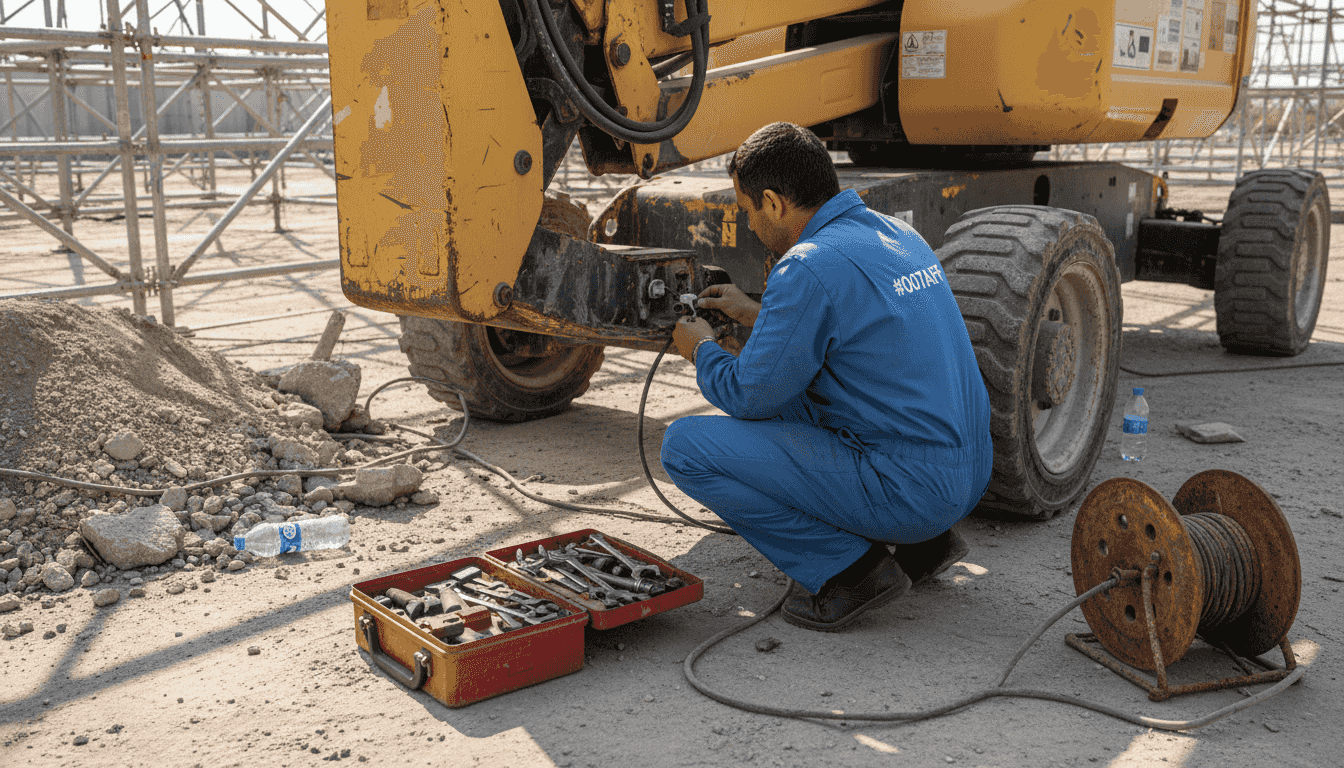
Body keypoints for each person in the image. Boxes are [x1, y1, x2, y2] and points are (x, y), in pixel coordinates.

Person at [660, 122, 993, 632]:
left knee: (685, 447)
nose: (750, 224)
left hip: (914, 492)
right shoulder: (895, 233)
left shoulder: (807, 266)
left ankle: (849, 573)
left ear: (772, 202)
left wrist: (700, 349)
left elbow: (748, 395)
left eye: (748, 210)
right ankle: (924, 546)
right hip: (967, 476)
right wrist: (758, 314)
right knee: (803, 390)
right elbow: (863, 333)